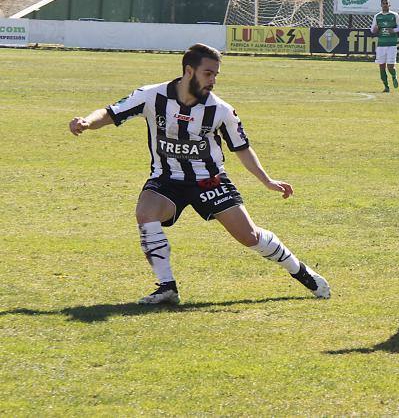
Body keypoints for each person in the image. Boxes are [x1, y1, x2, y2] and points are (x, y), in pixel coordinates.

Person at [68, 43, 331, 305]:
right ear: (189, 71)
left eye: (216, 74)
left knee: (249, 236)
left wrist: (267, 180)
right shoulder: (152, 95)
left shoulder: (221, 110)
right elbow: (112, 113)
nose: (213, 80)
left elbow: (242, 148)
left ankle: (302, 272)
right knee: (145, 212)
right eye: (208, 73)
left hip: (210, 180)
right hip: (166, 180)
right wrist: (87, 122)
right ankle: (166, 288)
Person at [370, 0, 399, 93]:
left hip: (391, 44)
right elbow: (372, 29)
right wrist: (375, 30)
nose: (385, 5)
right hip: (381, 45)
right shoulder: (377, 16)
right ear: (381, 5)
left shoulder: (394, 15)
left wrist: (393, 30)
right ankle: (386, 87)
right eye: (383, 3)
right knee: (381, 66)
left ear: (389, 5)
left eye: (386, 3)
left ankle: (394, 76)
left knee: (390, 66)